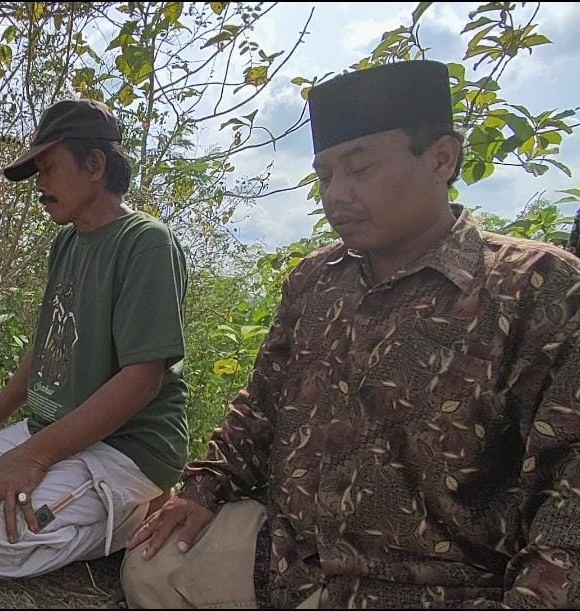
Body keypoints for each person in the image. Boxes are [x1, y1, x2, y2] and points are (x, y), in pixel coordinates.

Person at [121, 60, 580, 608]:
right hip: (292, 559)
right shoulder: (317, 279)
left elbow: (568, 495)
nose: (335, 195)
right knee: (151, 564)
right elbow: (261, 404)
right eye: (324, 175)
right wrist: (204, 487)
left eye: (358, 170)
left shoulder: (539, 288)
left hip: (440, 585)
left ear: (441, 158)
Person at [0, 99, 190, 579]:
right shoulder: (68, 242)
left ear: (95, 165)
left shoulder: (145, 242)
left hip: (127, 444)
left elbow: (143, 380)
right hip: (59, 429)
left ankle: (134, 513)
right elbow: (48, 343)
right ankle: (75, 495)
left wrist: (35, 457)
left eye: (49, 169)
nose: (41, 185)